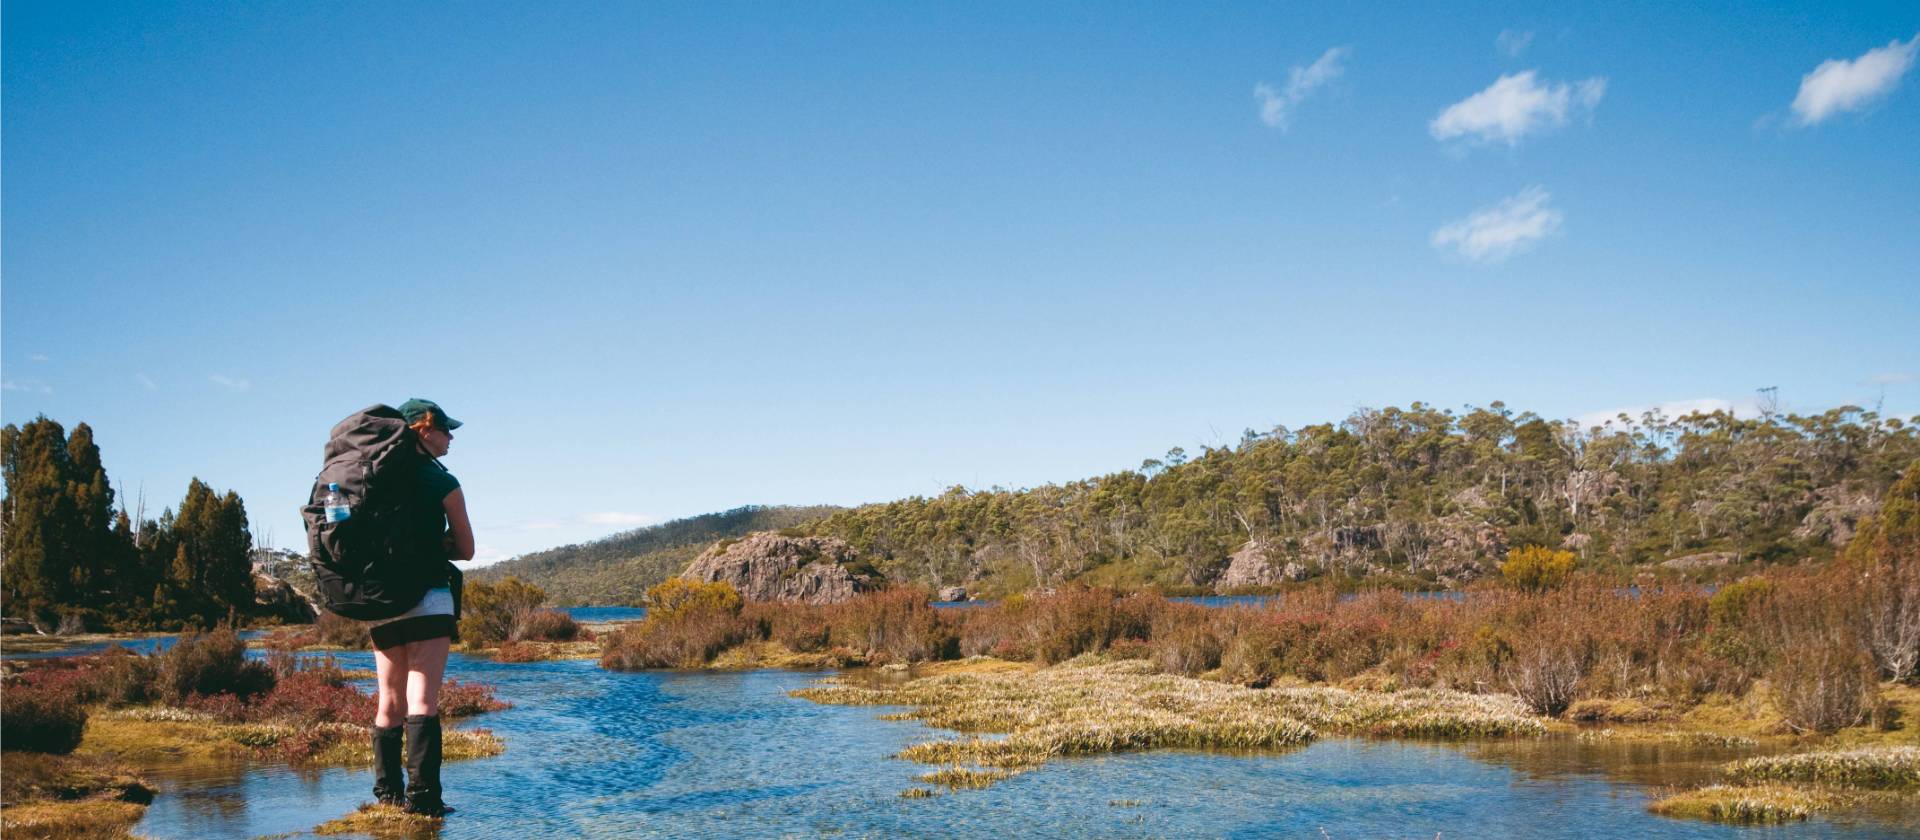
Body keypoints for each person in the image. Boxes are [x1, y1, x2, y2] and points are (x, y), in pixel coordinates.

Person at [365, 398, 473, 816]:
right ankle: (425, 800)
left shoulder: (370, 478)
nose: (450, 439)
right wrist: (439, 542)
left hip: (380, 604)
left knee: (388, 701)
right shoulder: (439, 480)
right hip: (428, 596)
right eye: (446, 431)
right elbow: (466, 549)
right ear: (424, 429)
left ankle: (387, 798)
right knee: (422, 699)